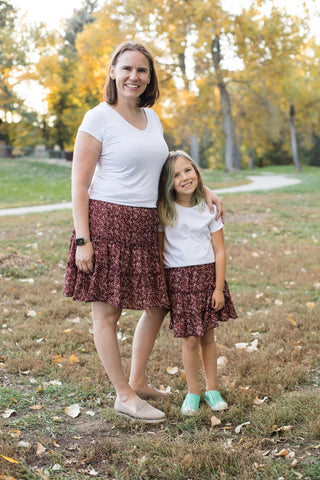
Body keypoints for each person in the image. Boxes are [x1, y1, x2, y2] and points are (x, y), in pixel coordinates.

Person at [63, 41, 223, 423]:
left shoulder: (153, 119)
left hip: (147, 224)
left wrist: (203, 188)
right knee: (108, 312)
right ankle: (124, 395)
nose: (134, 76)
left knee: (160, 302)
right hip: (107, 223)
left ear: (149, 78)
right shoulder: (97, 118)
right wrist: (84, 239)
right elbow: (79, 184)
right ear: (113, 72)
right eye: (127, 68)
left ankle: (138, 379)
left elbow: (165, 168)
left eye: (142, 70)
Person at [157, 150, 237, 416]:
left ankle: (212, 389)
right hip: (179, 281)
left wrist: (218, 287)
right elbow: (159, 252)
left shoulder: (208, 208)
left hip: (206, 278)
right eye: (176, 175)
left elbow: (220, 251)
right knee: (190, 338)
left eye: (188, 170)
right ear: (168, 182)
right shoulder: (164, 210)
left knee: (208, 336)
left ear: (197, 172)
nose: (184, 177)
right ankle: (193, 392)